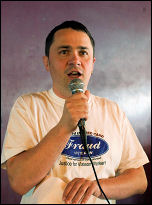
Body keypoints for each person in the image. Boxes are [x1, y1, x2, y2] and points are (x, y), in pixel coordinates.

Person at [1, 20, 149, 204]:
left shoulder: (112, 110)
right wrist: (65, 126)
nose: (75, 60)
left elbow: (139, 180)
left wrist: (97, 187)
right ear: (47, 62)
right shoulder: (28, 106)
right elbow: (19, 182)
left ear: (92, 64)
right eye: (64, 52)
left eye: (83, 52)